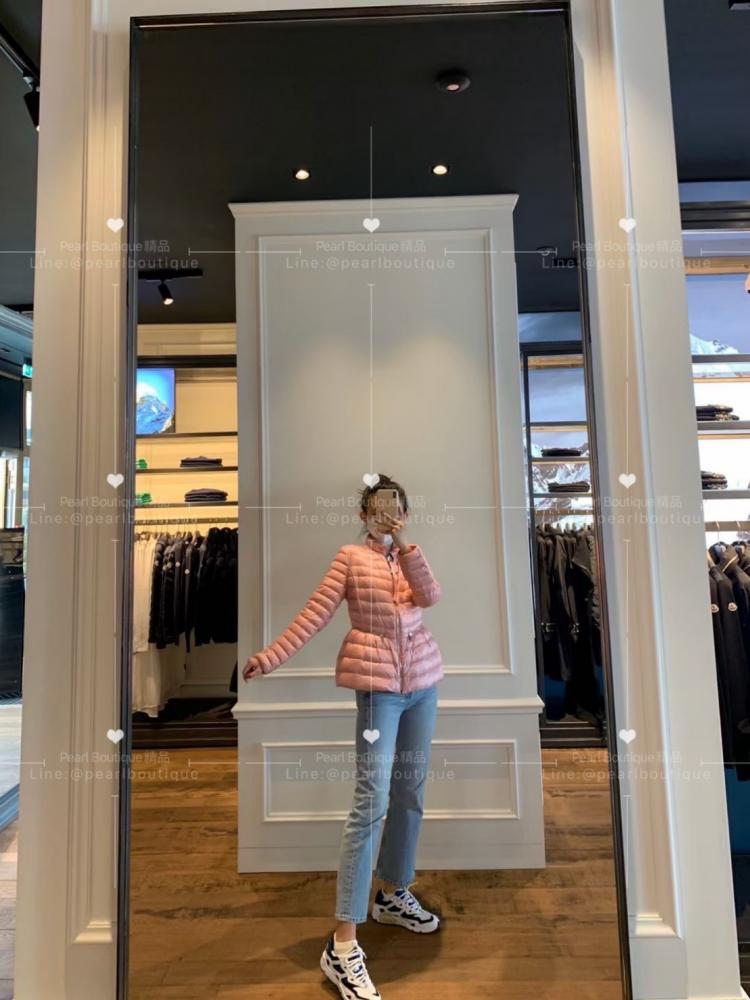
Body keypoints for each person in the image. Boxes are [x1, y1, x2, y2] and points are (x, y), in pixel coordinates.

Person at [243, 474, 443, 1000]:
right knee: (370, 801)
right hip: (379, 692)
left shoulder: (409, 556)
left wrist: (405, 543)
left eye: (395, 507)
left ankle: (393, 893)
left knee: (410, 792)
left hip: (423, 686)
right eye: (377, 508)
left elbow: (431, 595)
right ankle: (343, 942)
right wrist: (269, 658)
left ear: (404, 512)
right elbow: (314, 614)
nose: (387, 514)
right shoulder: (350, 559)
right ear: (363, 514)